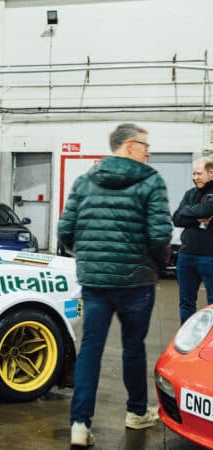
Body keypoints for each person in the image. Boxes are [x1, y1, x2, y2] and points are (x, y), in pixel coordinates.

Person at [59, 123, 172, 447]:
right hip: (136, 283)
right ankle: (136, 412)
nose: (148, 151)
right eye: (145, 145)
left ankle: (79, 425)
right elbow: (160, 236)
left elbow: (65, 231)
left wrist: (88, 257)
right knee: (133, 348)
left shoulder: (85, 181)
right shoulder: (151, 182)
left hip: (94, 282)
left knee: (90, 350)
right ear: (129, 145)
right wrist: (156, 265)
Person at [172, 157, 213, 323]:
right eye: (193, 174)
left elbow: (207, 208)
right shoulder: (190, 193)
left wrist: (188, 212)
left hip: (210, 257)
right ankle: (187, 342)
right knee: (186, 303)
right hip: (186, 256)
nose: (195, 177)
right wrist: (198, 218)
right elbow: (176, 218)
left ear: (211, 172)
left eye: (199, 173)